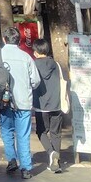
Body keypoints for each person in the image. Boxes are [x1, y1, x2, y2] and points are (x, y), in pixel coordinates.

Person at [0, 28, 40, 179]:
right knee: (23, 135)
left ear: (4, 39)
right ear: (19, 40)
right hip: (23, 102)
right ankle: (26, 168)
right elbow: (36, 81)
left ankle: (11, 160)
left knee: (7, 131)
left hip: (4, 101)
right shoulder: (26, 57)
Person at [32, 37, 68, 173]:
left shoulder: (33, 65)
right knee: (56, 133)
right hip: (57, 104)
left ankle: (51, 152)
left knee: (41, 131)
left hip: (41, 105)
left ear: (36, 52)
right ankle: (56, 164)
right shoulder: (56, 64)